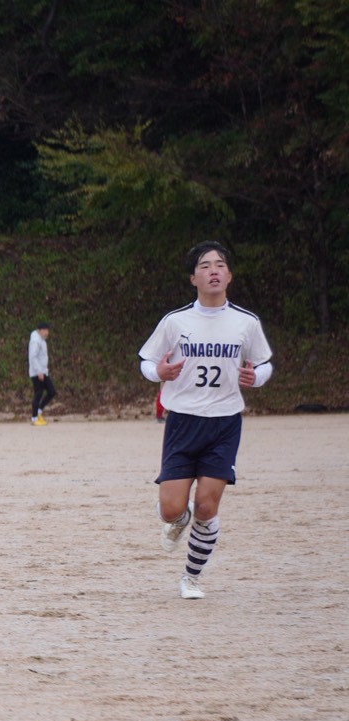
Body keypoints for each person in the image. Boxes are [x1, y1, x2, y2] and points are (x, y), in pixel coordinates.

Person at [138, 240, 274, 599]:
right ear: (193, 278)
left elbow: (264, 363)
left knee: (207, 506)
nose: (213, 270)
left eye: (220, 265)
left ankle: (191, 578)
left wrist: (256, 377)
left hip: (224, 422)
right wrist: (159, 372)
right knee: (170, 509)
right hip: (183, 421)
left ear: (229, 276)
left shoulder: (246, 322)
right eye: (204, 266)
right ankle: (178, 520)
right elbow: (146, 362)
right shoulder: (175, 321)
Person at [28, 322, 55, 425]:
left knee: (52, 391)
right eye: (45, 330)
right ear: (40, 330)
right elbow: (33, 357)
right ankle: (34, 418)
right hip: (37, 373)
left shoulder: (42, 340)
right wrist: (39, 371)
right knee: (38, 394)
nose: (47, 332)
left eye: (48, 330)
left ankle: (39, 411)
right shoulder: (35, 341)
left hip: (43, 372)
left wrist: (43, 371)